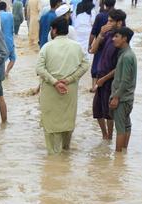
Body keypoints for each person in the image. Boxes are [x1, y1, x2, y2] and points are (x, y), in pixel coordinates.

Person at [36, 18, 89, 154]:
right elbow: (85, 65)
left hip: (51, 91)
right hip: (69, 90)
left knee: (51, 126)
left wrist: (55, 82)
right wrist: (69, 79)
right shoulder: (77, 47)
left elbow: (40, 69)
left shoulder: (47, 47)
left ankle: (54, 160)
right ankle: (65, 157)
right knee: (67, 123)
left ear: (54, 30)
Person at [90, 8, 125, 140]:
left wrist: (104, 79)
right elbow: (92, 50)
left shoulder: (121, 40)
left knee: (109, 112)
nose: (108, 23)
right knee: (97, 110)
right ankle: (105, 135)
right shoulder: (108, 35)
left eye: (111, 21)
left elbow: (119, 67)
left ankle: (109, 136)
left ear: (119, 22)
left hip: (110, 81)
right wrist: (100, 34)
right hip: (101, 78)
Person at [109, 27, 136, 152]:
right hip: (127, 97)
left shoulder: (126, 56)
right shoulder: (128, 54)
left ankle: (118, 158)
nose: (113, 39)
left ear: (124, 39)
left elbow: (125, 80)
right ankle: (123, 154)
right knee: (126, 125)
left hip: (122, 98)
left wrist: (116, 97)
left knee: (120, 128)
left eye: (116, 36)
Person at [90, 0, 115, 90]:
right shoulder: (118, 17)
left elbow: (93, 33)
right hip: (112, 46)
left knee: (96, 65)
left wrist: (90, 44)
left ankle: (94, 87)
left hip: (99, 45)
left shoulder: (100, 16)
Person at [0, 2, 16, 76]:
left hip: (0, 41)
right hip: (9, 40)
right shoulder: (10, 15)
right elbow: (12, 29)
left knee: (0, 60)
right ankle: (6, 72)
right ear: (5, 8)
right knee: (13, 58)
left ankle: (1, 73)